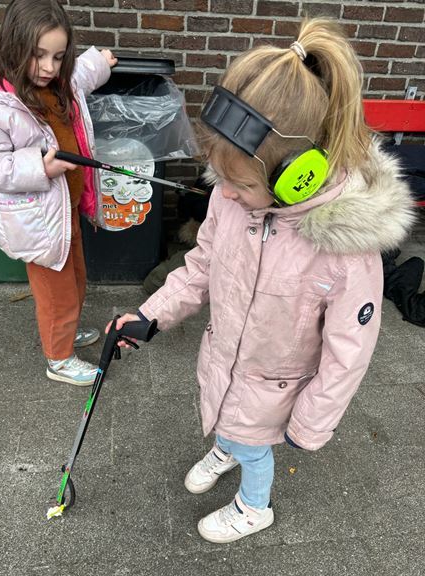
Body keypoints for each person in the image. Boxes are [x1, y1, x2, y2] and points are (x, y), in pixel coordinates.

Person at [108, 17, 416, 543]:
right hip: (225, 359)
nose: (224, 193)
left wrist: (311, 423)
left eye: (239, 182)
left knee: (255, 446)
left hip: (276, 388)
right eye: (221, 176)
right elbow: (202, 266)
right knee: (231, 425)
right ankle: (227, 446)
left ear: (298, 175)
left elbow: (349, 351)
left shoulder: (345, 253)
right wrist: (149, 315)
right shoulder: (231, 203)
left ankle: (254, 507)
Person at [0, 0, 117, 386]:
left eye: (59, 57)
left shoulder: (58, 83)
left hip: (64, 211)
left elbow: (81, 75)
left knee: (76, 280)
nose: (49, 67)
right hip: (39, 224)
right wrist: (40, 167)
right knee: (57, 294)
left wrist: (101, 61)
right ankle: (59, 358)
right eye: (39, 55)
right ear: (13, 47)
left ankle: (64, 332)